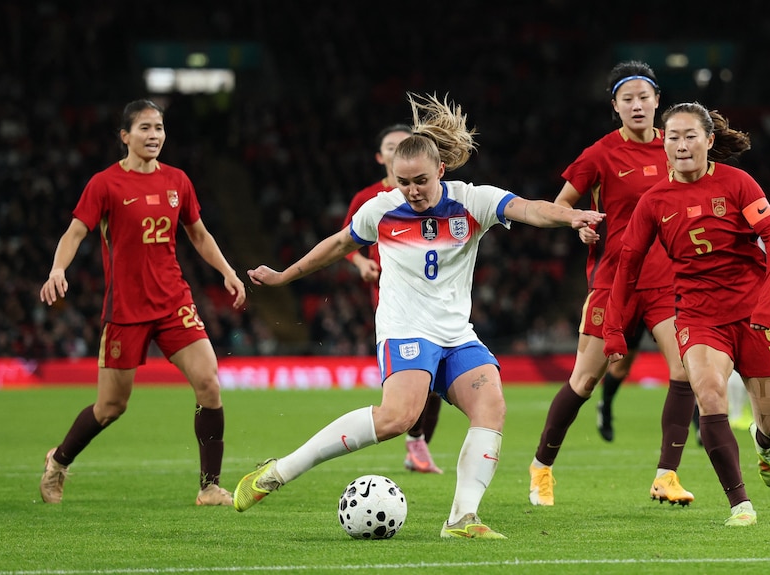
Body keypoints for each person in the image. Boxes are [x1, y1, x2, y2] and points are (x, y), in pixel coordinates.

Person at [233, 92, 604, 539]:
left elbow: (528, 209)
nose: (411, 190)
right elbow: (336, 245)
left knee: (492, 406)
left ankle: (462, 519)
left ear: (441, 171)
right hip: (405, 329)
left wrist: (569, 218)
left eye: (420, 181)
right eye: (403, 181)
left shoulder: (473, 201)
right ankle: (279, 471)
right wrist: (283, 277)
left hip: (456, 334)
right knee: (398, 419)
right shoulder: (382, 209)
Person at [38, 99, 246, 506]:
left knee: (209, 383)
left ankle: (209, 487)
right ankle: (58, 462)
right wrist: (57, 269)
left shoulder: (178, 181)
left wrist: (227, 271)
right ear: (125, 136)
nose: (154, 136)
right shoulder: (105, 184)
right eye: (145, 129)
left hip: (173, 301)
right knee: (111, 407)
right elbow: (75, 232)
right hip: (126, 311)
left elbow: (199, 234)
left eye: (160, 128)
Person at [604, 101, 770, 527]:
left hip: (753, 316)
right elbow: (627, 267)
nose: (682, 144)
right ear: (663, 144)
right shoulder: (654, 203)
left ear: (708, 140)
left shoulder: (738, 183)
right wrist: (614, 328)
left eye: (690, 136)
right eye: (673, 136)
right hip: (698, 317)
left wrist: (764, 304)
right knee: (708, 394)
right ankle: (740, 505)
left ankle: (764, 444)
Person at [529, 61, 696, 507]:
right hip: (615, 282)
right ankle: (542, 466)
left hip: (666, 282)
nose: (638, 105)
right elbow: (562, 204)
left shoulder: (677, 149)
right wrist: (578, 223)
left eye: (644, 97)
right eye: (628, 99)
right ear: (615, 107)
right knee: (584, 380)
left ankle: (666, 475)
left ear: (658, 101)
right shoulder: (600, 154)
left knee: (685, 372)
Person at [343, 123, 444, 474]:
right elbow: (346, 243)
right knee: (420, 378)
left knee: (435, 381)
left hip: (434, 298)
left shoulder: (433, 193)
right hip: (392, 299)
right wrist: (361, 264)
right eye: (390, 145)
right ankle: (413, 439)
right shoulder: (369, 199)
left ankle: (418, 444)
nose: (396, 149)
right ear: (380, 156)